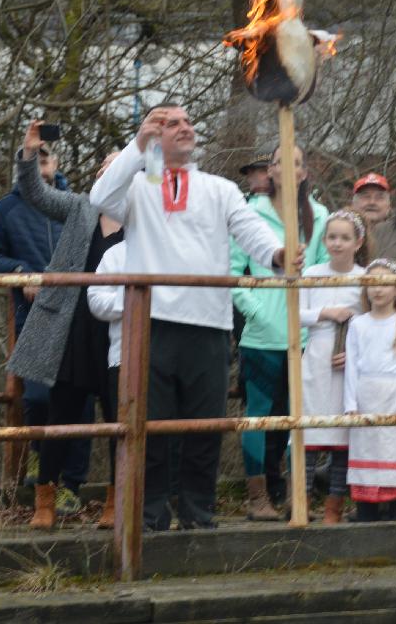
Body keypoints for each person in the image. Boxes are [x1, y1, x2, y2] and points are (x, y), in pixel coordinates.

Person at [89, 102, 290, 531]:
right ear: (153, 135)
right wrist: (138, 144)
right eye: (169, 123)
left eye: (186, 122)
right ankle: (151, 512)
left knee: (205, 425)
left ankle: (199, 510)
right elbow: (99, 197)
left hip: (209, 323)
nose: (182, 128)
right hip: (153, 323)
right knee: (154, 427)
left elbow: (249, 230)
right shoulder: (139, 187)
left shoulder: (220, 189)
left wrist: (277, 253)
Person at [8, 122, 123, 529]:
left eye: (123, 166)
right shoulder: (80, 207)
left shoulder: (143, 219)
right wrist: (28, 153)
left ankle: (115, 500)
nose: (114, 172)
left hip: (116, 332)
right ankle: (45, 500)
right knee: (60, 417)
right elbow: (34, 193)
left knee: (117, 419)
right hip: (72, 329)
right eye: (107, 167)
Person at [0, 141, 86, 503]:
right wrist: (19, 272)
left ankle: (70, 484)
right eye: (34, 158)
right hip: (34, 316)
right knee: (37, 399)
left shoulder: (80, 207)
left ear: (57, 162)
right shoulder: (7, 209)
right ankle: (45, 461)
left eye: (47, 157)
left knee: (80, 403)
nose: (42, 164)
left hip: (80, 315)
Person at [230, 144, 329, 521]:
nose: (288, 168)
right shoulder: (249, 215)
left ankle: (296, 495)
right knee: (259, 415)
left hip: (305, 333)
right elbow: (233, 272)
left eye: (296, 163)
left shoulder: (318, 216)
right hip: (261, 334)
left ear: (305, 172)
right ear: (269, 171)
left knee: (299, 416)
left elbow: (324, 272)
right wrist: (256, 312)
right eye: (279, 162)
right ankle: (258, 497)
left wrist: (313, 315)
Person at [298, 210, 367, 524]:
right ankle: (301, 502)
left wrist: (354, 351)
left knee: (342, 437)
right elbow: (296, 312)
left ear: (358, 242)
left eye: (345, 238)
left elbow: (372, 322)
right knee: (308, 433)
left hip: (348, 362)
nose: (337, 244)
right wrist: (327, 312)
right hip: (315, 357)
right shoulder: (312, 273)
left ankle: (333, 507)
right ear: (324, 240)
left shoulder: (365, 278)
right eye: (332, 237)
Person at [343, 259, 396, 521]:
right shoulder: (358, 324)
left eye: (384, 284)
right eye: (372, 283)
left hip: (393, 394)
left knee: (391, 448)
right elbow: (351, 366)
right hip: (365, 394)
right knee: (366, 448)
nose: (378, 290)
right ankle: (366, 508)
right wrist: (350, 404)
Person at [87, 240, 127, 529]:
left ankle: (161, 500)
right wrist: (132, 299)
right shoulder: (115, 254)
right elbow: (96, 300)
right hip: (122, 356)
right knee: (120, 433)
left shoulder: (178, 249)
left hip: (168, 357)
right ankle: (118, 501)